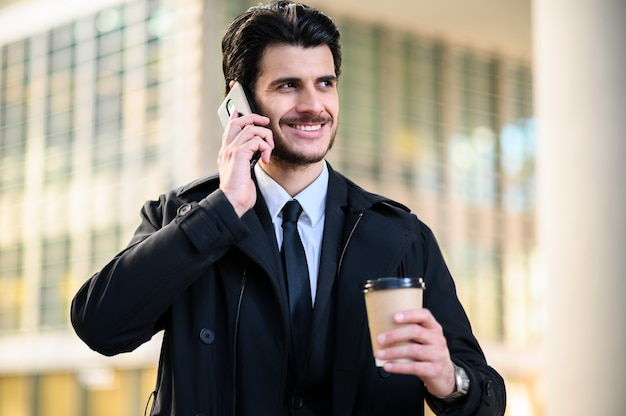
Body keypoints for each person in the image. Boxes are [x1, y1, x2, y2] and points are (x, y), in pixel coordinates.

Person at [71, 1, 506, 415]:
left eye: (325, 83)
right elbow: (100, 327)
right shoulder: (183, 216)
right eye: (287, 85)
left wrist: (450, 380)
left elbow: (488, 396)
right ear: (238, 101)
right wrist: (223, 210)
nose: (313, 105)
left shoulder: (402, 236)